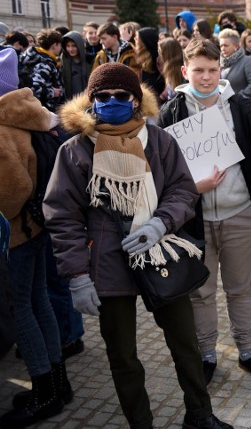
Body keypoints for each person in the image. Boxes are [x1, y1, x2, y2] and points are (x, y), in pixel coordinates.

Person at [44, 63, 232, 429]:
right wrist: (77, 276)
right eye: (102, 97)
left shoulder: (159, 140)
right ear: (91, 100)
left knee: (185, 343)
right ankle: (140, 424)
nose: (111, 102)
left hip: (160, 251)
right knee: (123, 356)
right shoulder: (75, 150)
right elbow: (61, 215)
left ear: (135, 100)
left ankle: (200, 414)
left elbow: (182, 188)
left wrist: (162, 222)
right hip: (107, 262)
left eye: (120, 96)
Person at [159, 38, 251, 385]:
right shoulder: (171, 113)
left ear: (220, 69)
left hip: (242, 213)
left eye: (212, 70)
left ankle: (248, 352)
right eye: (198, 71)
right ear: (184, 71)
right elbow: (163, 173)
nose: (206, 77)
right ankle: (206, 355)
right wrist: (197, 188)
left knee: (239, 288)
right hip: (196, 220)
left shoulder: (239, 106)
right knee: (201, 292)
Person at [0, 48, 70, 428]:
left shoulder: (1, 127)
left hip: (17, 234)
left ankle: (44, 393)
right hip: (41, 225)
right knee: (40, 300)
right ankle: (59, 382)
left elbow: (10, 192)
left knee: (21, 309)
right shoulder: (35, 113)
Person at [20, 28, 65, 112]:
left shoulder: (45, 60)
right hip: (46, 110)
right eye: (60, 45)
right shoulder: (45, 64)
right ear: (55, 45)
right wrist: (52, 92)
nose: (60, 48)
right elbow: (34, 88)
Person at [218, 28, 251, 99]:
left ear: (235, 46)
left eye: (226, 45)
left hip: (242, 106)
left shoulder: (247, 61)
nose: (223, 48)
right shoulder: (218, 63)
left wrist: (239, 97)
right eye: (221, 46)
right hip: (222, 106)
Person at [134, 27, 166, 102]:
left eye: (137, 38)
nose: (134, 39)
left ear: (144, 43)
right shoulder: (140, 59)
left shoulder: (158, 61)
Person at [59, 30, 92, 101]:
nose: (71, 49)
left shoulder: (90, 60)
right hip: (70, 103)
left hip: (88, 100)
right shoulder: (62, 62)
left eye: (74, 46)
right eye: (68, 46)